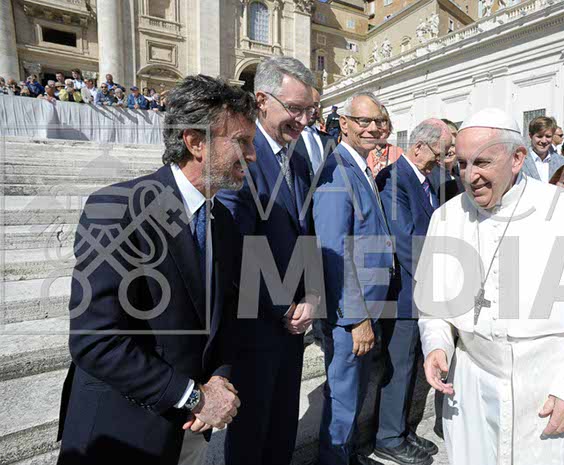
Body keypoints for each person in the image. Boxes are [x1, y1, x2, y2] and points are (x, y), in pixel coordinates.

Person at [415, 107, 564, 465]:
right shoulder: (446, 217)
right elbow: (433, 308)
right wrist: (437, 344)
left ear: (517, 158)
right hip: (473, 391)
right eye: (463, 163)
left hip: (551, 391)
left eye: (482, 163)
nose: (470, 176)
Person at [56, 75, 258, 465]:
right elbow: (95, 341)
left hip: (192, 431)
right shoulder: (116, 209)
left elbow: (225, 319)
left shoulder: (224, 223)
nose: (252, 155)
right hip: (123, 435)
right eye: (242, 141)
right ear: (195, 142)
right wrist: (194, 397)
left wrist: (219, 378)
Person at [217, 56, 318, 465]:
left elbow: (307, 231)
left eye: (310, 110)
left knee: (282, 426)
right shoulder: (239, 153)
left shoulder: (299, 158)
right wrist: (282, 306)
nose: (305, 120)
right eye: (295, 109)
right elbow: (236, 247)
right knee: (252, 433)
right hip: (254, 323)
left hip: (294, 321)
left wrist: (311, 295)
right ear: (262, 100)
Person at [314, 91, 400, 465]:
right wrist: (356, 318)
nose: (373, 128)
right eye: (363, 121)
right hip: (350, 316)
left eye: (378, 121)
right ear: (345, 124)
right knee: (343, 398)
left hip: (366, 307)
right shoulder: (337, 170)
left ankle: (346, 455)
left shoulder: (360, 167)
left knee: (352, 395)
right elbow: (333, 250)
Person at [373, 119, 452, 465]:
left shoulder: (425, 179)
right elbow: (405, 242)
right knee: (399, 368)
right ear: (418, 147)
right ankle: (388, 438)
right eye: (439, 153)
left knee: (410, 369)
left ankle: (403, 430)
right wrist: (443, 273)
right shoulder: (393, 179)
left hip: (422, 292)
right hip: (405, 293)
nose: (442, 161)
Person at [297, 87, 336, 174]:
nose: (313, 109)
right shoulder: (288, 139)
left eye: (316, 105)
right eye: (309, 104)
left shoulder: (329, 140)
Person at [519, 115, 564, 182]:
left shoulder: (563, 162)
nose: (544, 141)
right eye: (539, 136)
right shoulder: (520, 160)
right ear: (530, 136)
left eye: (548, 136)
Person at [427, 119, 465, 205]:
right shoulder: (430, 177)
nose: (448, 150)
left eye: (452, 145)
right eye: (444, 146)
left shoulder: (460, 173)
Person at [366, 105, 404, 177]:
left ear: (389, 126)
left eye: (382, 122)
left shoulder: (398, 152)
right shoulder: (363, 151)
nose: (378, 128)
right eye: (376, 122)